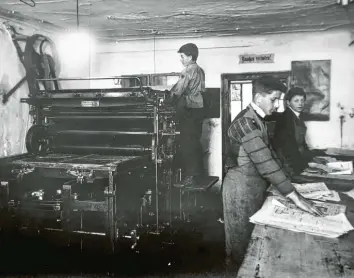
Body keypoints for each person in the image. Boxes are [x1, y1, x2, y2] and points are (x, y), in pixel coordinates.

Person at [222, 76, 323, 270]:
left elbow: (272, 156)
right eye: (273, 100)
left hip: (255, 186)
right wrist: (296, 198)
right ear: (259, 97)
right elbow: (265, 162)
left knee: (255, 241)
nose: (277, 105)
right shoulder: (245, 123)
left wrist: (290, 185)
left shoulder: (259, 119)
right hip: (240, 189)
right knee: (241, 245)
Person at [165, 43, 205, 186]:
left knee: (187, 143)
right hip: (198, 109)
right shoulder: (200, 70)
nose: (180, 59)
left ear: (190, 56)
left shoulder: (188, 70)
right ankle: (196, 175)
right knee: (194, 142)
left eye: (182, 56)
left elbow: (178, 90)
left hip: (189, 109)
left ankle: (191, 177)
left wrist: (167, 100)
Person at [271, 87, 313, 177]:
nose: (300, 103)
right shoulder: (285, 119)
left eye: (302, 100)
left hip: (298, 161)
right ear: (288, 102)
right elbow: (287, 149)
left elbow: (302, 144)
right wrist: (304, 166)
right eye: (296, 100)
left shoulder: (298, 117)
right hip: (289, 166)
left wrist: (313, 158)